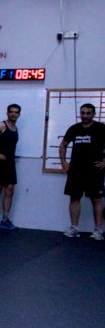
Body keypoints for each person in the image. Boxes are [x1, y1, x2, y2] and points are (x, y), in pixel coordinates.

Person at [59, 103, 105, 240]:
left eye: (88, 113)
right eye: (83, 113)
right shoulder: (74, 128)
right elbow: (63, 145)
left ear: (94, 114)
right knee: (74, 198)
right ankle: (74, 228)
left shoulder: (101, 128)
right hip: (76, 170)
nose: (85, 116)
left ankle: (98, 230)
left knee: (96, 199)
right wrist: (64, 162)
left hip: (94, 170)